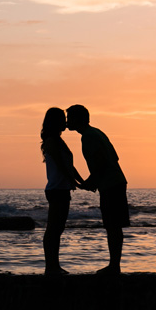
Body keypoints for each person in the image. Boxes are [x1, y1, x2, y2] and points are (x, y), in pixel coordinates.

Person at [66, 104, 129, 275]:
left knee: (112, 225)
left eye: (69, 118)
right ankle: (114, 265)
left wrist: (90, 181)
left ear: (77, 119)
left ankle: (114, 266)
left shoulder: (88, 137)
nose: (66, 122)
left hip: (110, 183)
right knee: (114, 226)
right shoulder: (97, 132)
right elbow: (114, 157)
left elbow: (102, 162)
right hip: (115, 181)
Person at [40, 107, 84, 275]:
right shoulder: (52, 140)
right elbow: (61, 165)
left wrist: (81, 181)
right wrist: (75, 182)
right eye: (62, 118)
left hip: (62, 189)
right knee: (53, 229)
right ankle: (51, 266)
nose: (66, 121)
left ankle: (54, 265)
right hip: (57, 189)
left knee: (57, 229)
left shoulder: (58, 140)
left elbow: (70, 166)